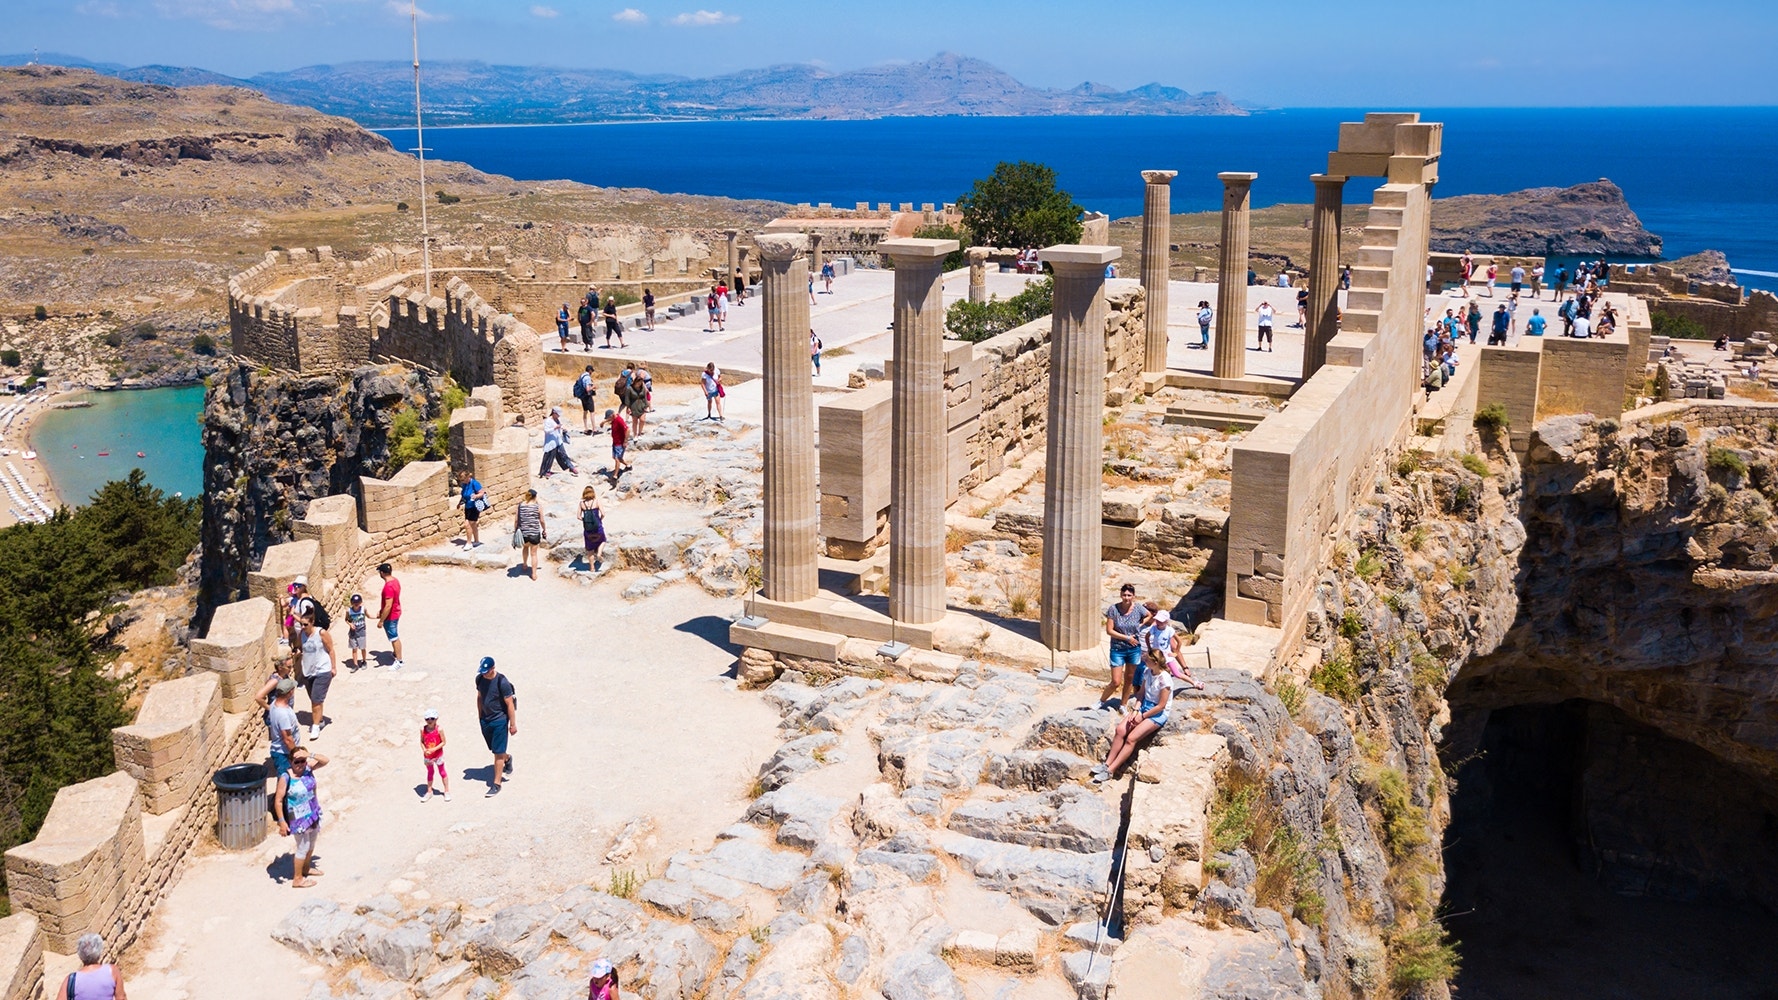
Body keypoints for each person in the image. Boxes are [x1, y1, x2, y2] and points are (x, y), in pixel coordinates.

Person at [1090, 651, 1172, 785]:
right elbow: (1141, 694)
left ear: (1155, 662)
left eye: (1147, 660)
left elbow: (1161, 706)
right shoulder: (1148, 672)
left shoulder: (1165, 680)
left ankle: (1111, 770)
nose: (1145, 662)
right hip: (1144, 707)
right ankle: (1107, 763)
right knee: (1121, 730)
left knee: (1131, 738)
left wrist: (1143, 717)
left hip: (1157, 713)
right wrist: (1135, 711)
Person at [274, 745, 328, 887]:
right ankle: (297, 879)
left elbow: (325, 760)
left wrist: (310, 754)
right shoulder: (286, 777)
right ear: (291, 762)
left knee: (312, 843)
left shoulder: (308, 769)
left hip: (313, 813)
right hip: (298, 819)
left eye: (302, 760)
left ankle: (305, 868)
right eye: (296, 761)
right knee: (303, 847)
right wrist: (282, 822)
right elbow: (278, 801)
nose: (300, 764)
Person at [475, 656, 516, 796]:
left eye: (486, 671)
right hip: (486, 720)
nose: (484, 674)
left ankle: (496, 784)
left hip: (499, 721)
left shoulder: (502, 682)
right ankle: (508, 758)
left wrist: (512, 724)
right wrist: (480, 716)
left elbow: (510, 704)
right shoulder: (480, 679)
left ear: (493, 668)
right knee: (495, 748)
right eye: (483, 671)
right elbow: (480, 697)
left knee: (497, 753)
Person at [1101, 584, 1145, 711]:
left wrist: (1141, 624)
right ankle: (1101, 701)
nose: (1126, 598)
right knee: (1115, 681)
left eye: (1129, 595)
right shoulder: (1113, 609)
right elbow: (1109, 630)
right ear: (1120, 595)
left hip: (1134, 648)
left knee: (1129, 679)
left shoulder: (1138, 608)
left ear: (1134, 596)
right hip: (1118, 648)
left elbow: (1149, 615)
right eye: (1124, 595)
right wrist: (1127, 638)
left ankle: (1123, 705)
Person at [296, 609, 335, 740]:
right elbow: (300, 648)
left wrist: (333, 668)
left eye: (305, 624)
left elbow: (330, 650)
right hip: (308, 672)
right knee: (314, 699)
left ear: (312, 622)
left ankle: (316, 726)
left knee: (316, 700)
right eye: (301, 624)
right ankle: (320, 719)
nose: (302, 627)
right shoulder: (302, 634)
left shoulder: (321, 633)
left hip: (322, 671)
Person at [66, 933, 128, 1000]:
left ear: (80, 955)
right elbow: (121, 997)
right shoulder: (113, 971)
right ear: (99, 952)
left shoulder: (71, 980)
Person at [266, 677, 300, 776]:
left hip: (282, 751)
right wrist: (296, 755)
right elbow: (287, 739)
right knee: (285, 782)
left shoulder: (274, 704)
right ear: (290, 692)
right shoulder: (283, 714)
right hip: (284, 753)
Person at [513, 488, 546, 579]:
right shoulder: (538, 506)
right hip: (534, 533)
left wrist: (515, 530)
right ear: (535, 497)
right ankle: (534, 574)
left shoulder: (520, 506)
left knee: (525, 547)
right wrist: (544, 529)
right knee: (534, 554)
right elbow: (542, 520)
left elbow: (516, 520)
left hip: (523, 533)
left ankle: (524, 564)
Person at [376, 563, 404, 670]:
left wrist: (381, 620)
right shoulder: (395, 581)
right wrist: (381, 611)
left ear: (382, 573)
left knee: (394, 637)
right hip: (395, 612)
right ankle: (395, 653)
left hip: (391, 616)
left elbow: (388, 605)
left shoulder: (388, 587)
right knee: (393, 636)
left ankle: (399, 661)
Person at [538, 407, 580, 479]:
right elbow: (546, 430)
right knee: (549, 457)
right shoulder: (548, 421)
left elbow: (558, 428)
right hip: (551, 442)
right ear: (554, 413)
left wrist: (562, 429)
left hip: (558, 441)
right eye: (557, 414)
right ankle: (545, 471)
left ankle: (571, 467)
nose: (559, 416)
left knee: (564, 455)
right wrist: (554, 428)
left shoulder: (557, 420)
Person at [420, 708, 450, 802]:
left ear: (436, 719)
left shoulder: (439, 729)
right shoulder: (422, 729)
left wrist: (434, 749)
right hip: (428, 756)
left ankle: (446, 791)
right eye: (427, 719)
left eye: (432, 718)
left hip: (438, 755)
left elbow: (443, 742)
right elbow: (421, 741)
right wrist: (424, 750)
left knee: (442, 771)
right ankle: (429, 791)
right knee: (430, 772)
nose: (429, 721)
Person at [599, 409, 632, 477]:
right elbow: (609, 419)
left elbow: (628, 430)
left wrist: (625, 441)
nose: (609, 419)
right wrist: (603, 422)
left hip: (620, 443)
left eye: (609, 418)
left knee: (617, 459)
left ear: (612, 415)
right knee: (615, 457)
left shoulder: (619, 420)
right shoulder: (614, 418)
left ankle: (615, 475)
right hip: (615, 442)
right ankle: (628, 465)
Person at [458, 470, 486, 547]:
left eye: (463, 479)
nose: (462, 481)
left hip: (474, 507)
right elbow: (464, 495)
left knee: (467, 524)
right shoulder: (464, 485)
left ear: (468, 477)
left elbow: (482, 492)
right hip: (468, 507)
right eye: (461, 480)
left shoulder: (475, 483)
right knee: (473, 525)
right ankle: (476, 541)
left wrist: (476, 496)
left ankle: (469, 543)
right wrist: (459, 503)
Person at [574, 365, 598, 435]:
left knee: (585, 411)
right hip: (587, 396)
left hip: (582, 396)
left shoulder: (582, 375)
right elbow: (588, 389)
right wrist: (593, 386)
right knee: (592, 412)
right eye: (592, 371)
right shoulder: (587, 378)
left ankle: (586, 428)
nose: (592, 373)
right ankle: (594, 429)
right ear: (590, 370)